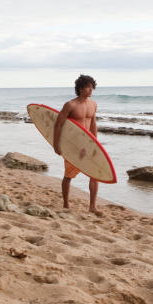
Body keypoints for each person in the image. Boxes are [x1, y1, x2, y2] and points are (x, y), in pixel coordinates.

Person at [53, 74, 101, 215]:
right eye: (88, 87)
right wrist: (56, 145)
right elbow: (58, 125)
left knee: (94, 174)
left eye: (92, 87)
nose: (91, 90)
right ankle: (66, 203)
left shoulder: (93, 104)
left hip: (88, 145)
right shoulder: (70, 105)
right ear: (80, 88)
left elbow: (93, 124)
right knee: (68, 176)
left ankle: (93, 206)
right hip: (73, 145)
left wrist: (95, 143)